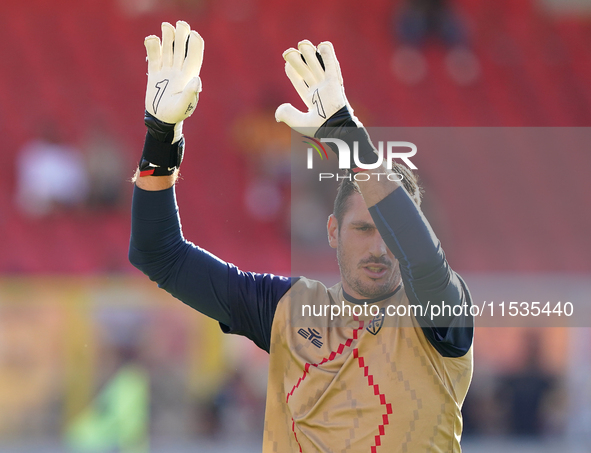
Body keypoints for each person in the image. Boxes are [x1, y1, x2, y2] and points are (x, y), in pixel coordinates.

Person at [129, 21, 473, 452]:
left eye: (391, 231)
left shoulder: (442, 313)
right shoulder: (289, 311)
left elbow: (425, 261)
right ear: (333, 231)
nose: (380, 246)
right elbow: (158, 254)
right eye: (364, 229)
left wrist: (349, 139)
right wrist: (161, 138)